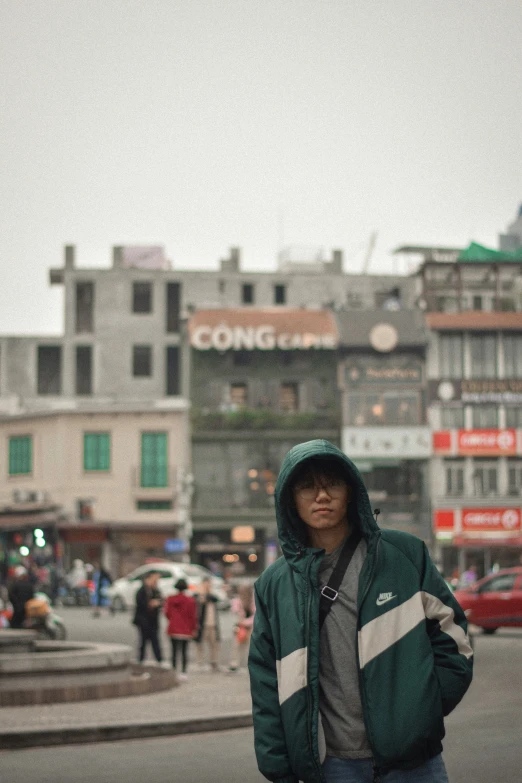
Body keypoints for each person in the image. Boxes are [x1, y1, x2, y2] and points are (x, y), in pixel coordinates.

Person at [248, 440, 473, 783]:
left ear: (351, 491)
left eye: (332, 484)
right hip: (331, 766)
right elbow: (265, 682)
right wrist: (278, 767)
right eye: (307, 486)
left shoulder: (403, 555)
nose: (321, 496)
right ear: (290, 499)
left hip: (413, 764)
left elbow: (454, 638)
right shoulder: (274, 585)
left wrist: (419, 714)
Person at [164, 578, 198, 681]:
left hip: (173, 628)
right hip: (186, 629)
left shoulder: (170, 599)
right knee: (184, 651)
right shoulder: (190, 600)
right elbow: (193, 616)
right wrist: (193, 628)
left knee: (174, 651)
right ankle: (183, 672)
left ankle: (174, 670)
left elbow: (167, 613)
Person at [133, 571, 163, 664]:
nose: (155, 581)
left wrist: (157, 603)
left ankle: (159, 660)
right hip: (144, 620)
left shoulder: (156, 591)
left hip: (153, 621)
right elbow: (140, 604)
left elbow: (161, 601)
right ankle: (141, 659)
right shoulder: (142, 591)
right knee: (143, 641)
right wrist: (150, 604)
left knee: (155, 641)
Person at [227, 583, 255, 672]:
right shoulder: (238, 601)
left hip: (250, 627)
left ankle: (251, 664)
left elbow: (255, 615)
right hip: (240, 627)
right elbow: (233, 610)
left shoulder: (253, 601)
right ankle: (234, 664)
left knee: (249, 647)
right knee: (236, 645)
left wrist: (245, 622)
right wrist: (238, 604)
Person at [195, 576, 221, 671]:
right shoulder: (198, 595)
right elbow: (196, 598)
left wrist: (207, 594)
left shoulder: (211, 596)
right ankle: (200, 662)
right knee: (199, 644)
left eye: (209, 584)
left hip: (213, 625)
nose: (208, 586)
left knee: (214, 644)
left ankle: (214, 662)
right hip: (202, 624)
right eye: (206, 584)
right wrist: (202, 593)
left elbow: (215, 598)